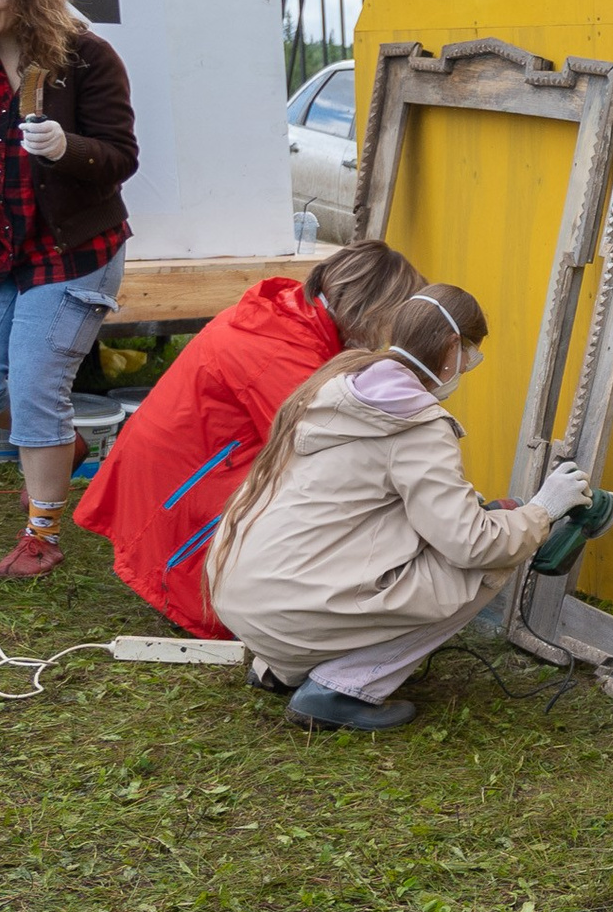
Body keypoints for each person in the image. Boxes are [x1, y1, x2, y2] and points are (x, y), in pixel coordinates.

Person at [205, 284, 600, 731]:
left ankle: (280, 669)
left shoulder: (340, 388)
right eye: (469, 355)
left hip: (242, 595)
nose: (466, 367)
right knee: (487, 565)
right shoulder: (414, 422)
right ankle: (340, 688)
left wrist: (486, 509)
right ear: (452, 346)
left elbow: (358, 505)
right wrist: (544, 509)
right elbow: (473, 545)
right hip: (292, 611)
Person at [77, 240, 427, 635]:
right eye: (392, 320)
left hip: (173, 469)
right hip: (184, 486)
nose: (388, 335)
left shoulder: (283, 318)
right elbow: (327, 455)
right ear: (370, 308)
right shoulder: (284, 354)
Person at [0, 0, 139, 578]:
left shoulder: (85, 58)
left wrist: (66, 148)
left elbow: (120, 157)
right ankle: (65, 445)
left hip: (72, 253)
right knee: (14, 385)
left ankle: (42, 534)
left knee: (35, 384)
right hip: (5, 253)